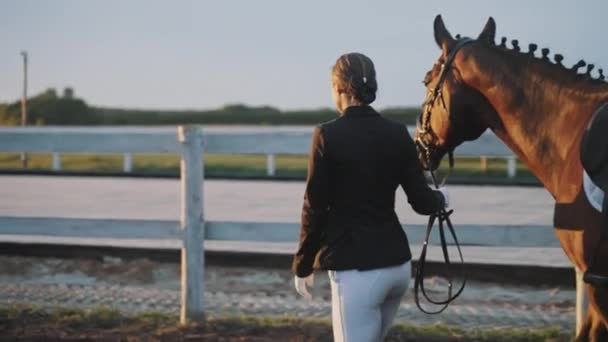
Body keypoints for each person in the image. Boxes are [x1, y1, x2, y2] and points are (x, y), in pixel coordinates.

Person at [291, 52, 448, 342]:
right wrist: (441, 199)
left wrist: (302, 264)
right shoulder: (398, 133)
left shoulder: (326, 135)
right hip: (398, 268)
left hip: (356, 273)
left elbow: (314, 207)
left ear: (338, 88)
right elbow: (422, 202)